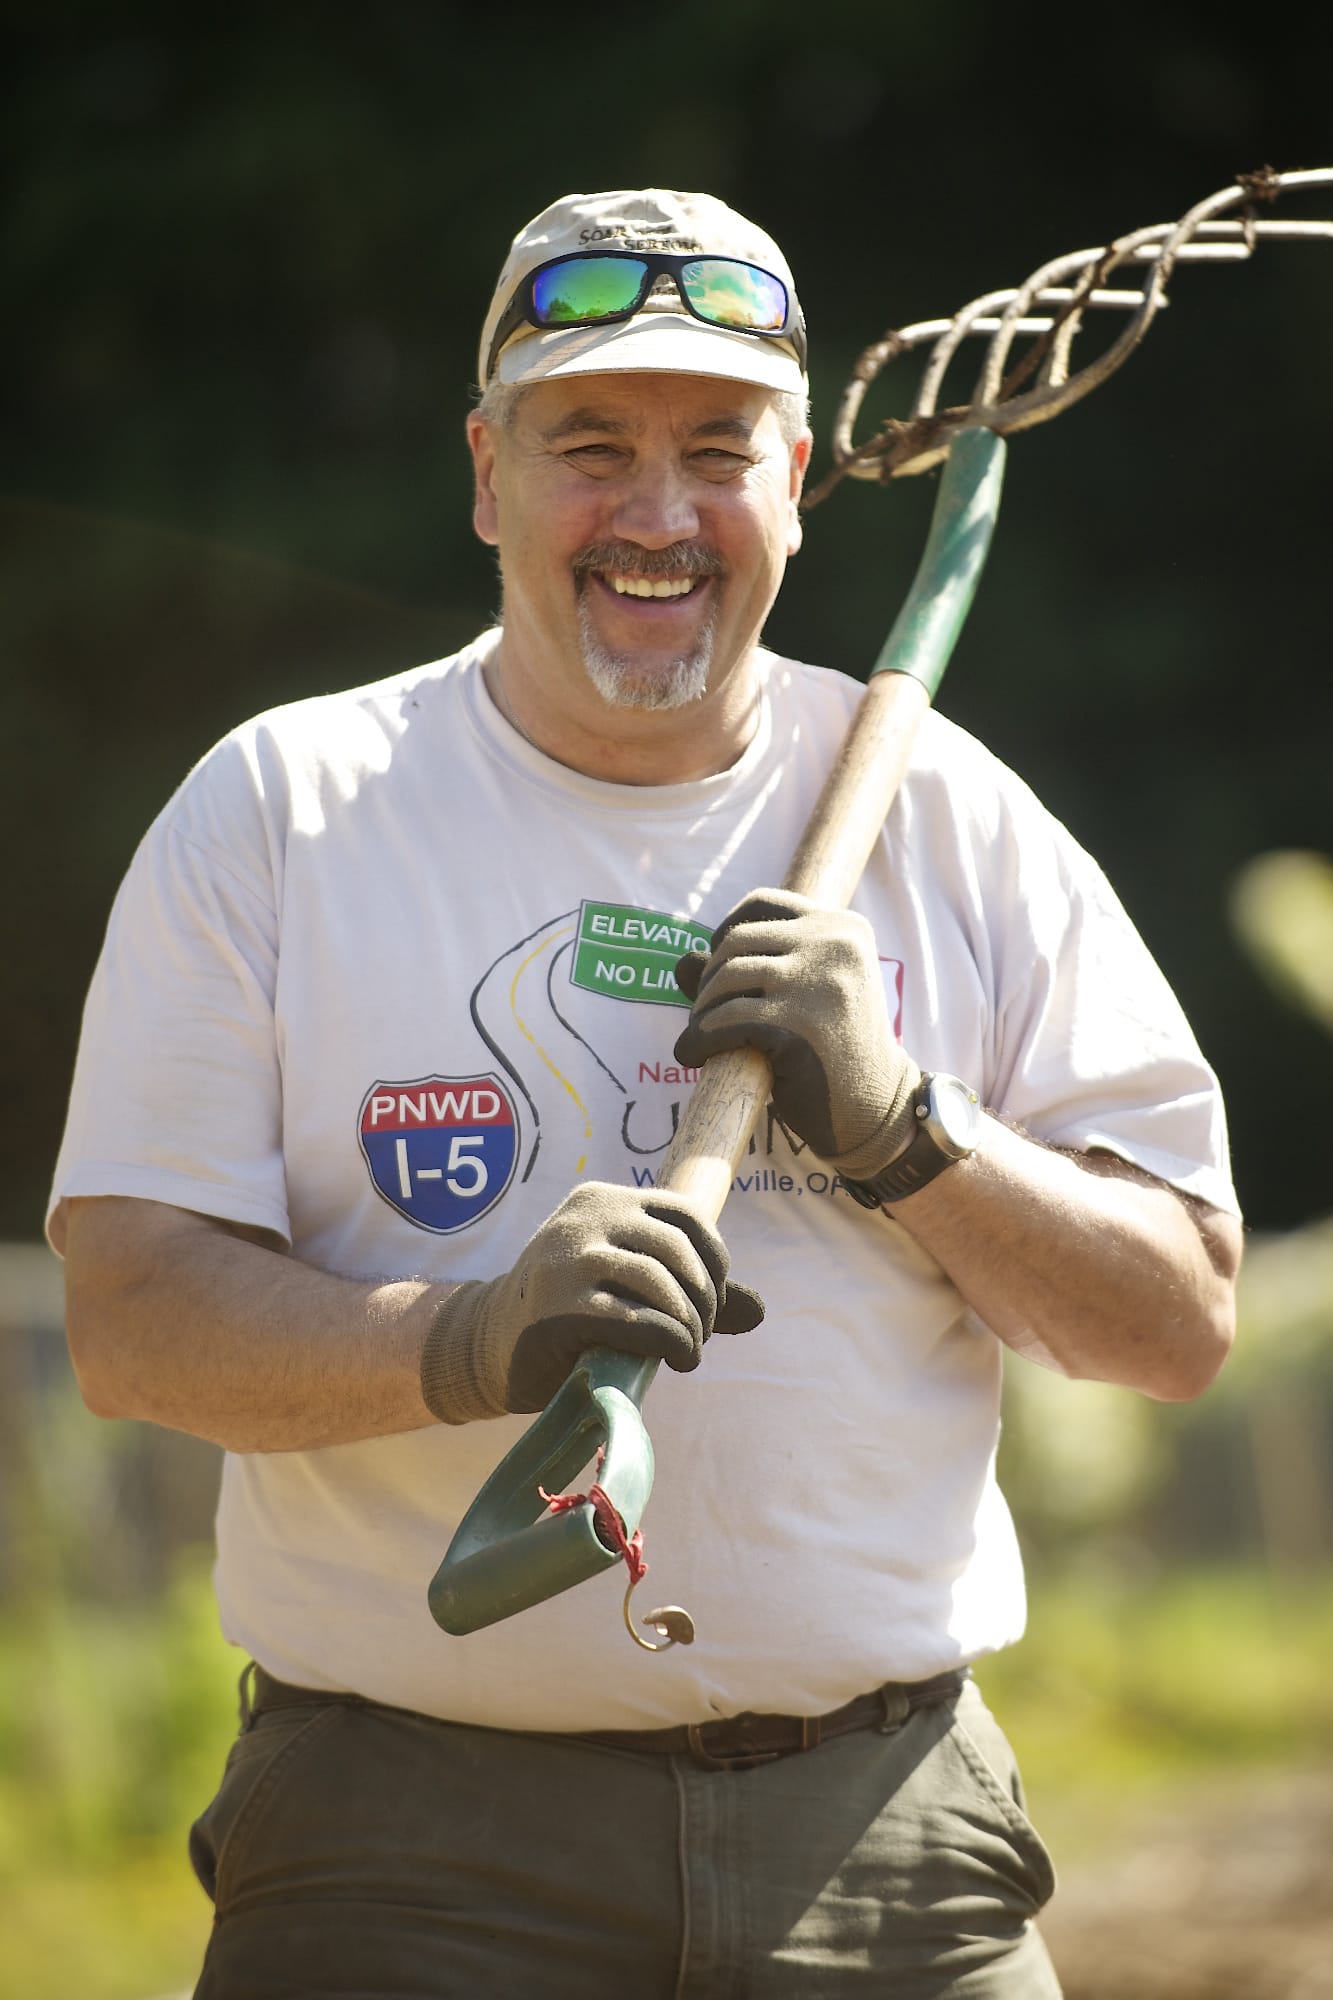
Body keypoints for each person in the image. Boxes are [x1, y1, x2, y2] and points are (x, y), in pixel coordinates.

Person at [50, 188, 1242, 1998]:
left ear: (793, 478)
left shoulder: (948, 812)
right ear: (485, 475)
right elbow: (132, 1321)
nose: (656, 513)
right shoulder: (285, 811)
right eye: (588, 445)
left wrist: (908, 1128)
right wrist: (466, 1339)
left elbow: (1174, 1318)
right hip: (402, 1858)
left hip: (883, 1851)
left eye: (716, 448)